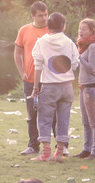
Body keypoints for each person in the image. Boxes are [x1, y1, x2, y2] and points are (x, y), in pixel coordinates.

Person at [31, 13, 78, 163]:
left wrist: (35, 86)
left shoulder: (41, 42)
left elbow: (37, 65)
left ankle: (45, 152)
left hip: (49, 86)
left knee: (44, 118)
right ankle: (59, 151)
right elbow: (75, 63)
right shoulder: (69, 42)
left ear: (48, 26)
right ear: (63, 25)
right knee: (63, 119)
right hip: (67, 86)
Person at [13, 2, 50, 156]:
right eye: (40, 15)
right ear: (33, 15)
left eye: (46, 14)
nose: (44, 18)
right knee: (32, 113)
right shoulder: (24, 30)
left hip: (49, 79)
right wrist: (22, 72)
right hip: (30, 80)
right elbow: (17, 53)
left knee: (51, 113)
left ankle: (58, 147)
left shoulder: (52, 29)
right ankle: (33, 145)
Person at [76, 18, 95, 160]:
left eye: (84, 29)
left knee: (94, 122)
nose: (80, 31)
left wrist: (79, 57)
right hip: (83, 87)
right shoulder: (83, 46)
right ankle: (86, 149)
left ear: (91, 31)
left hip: (92, 88)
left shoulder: (93, 46)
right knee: (85, 122)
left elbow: (91, 67)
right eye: (80, 28)